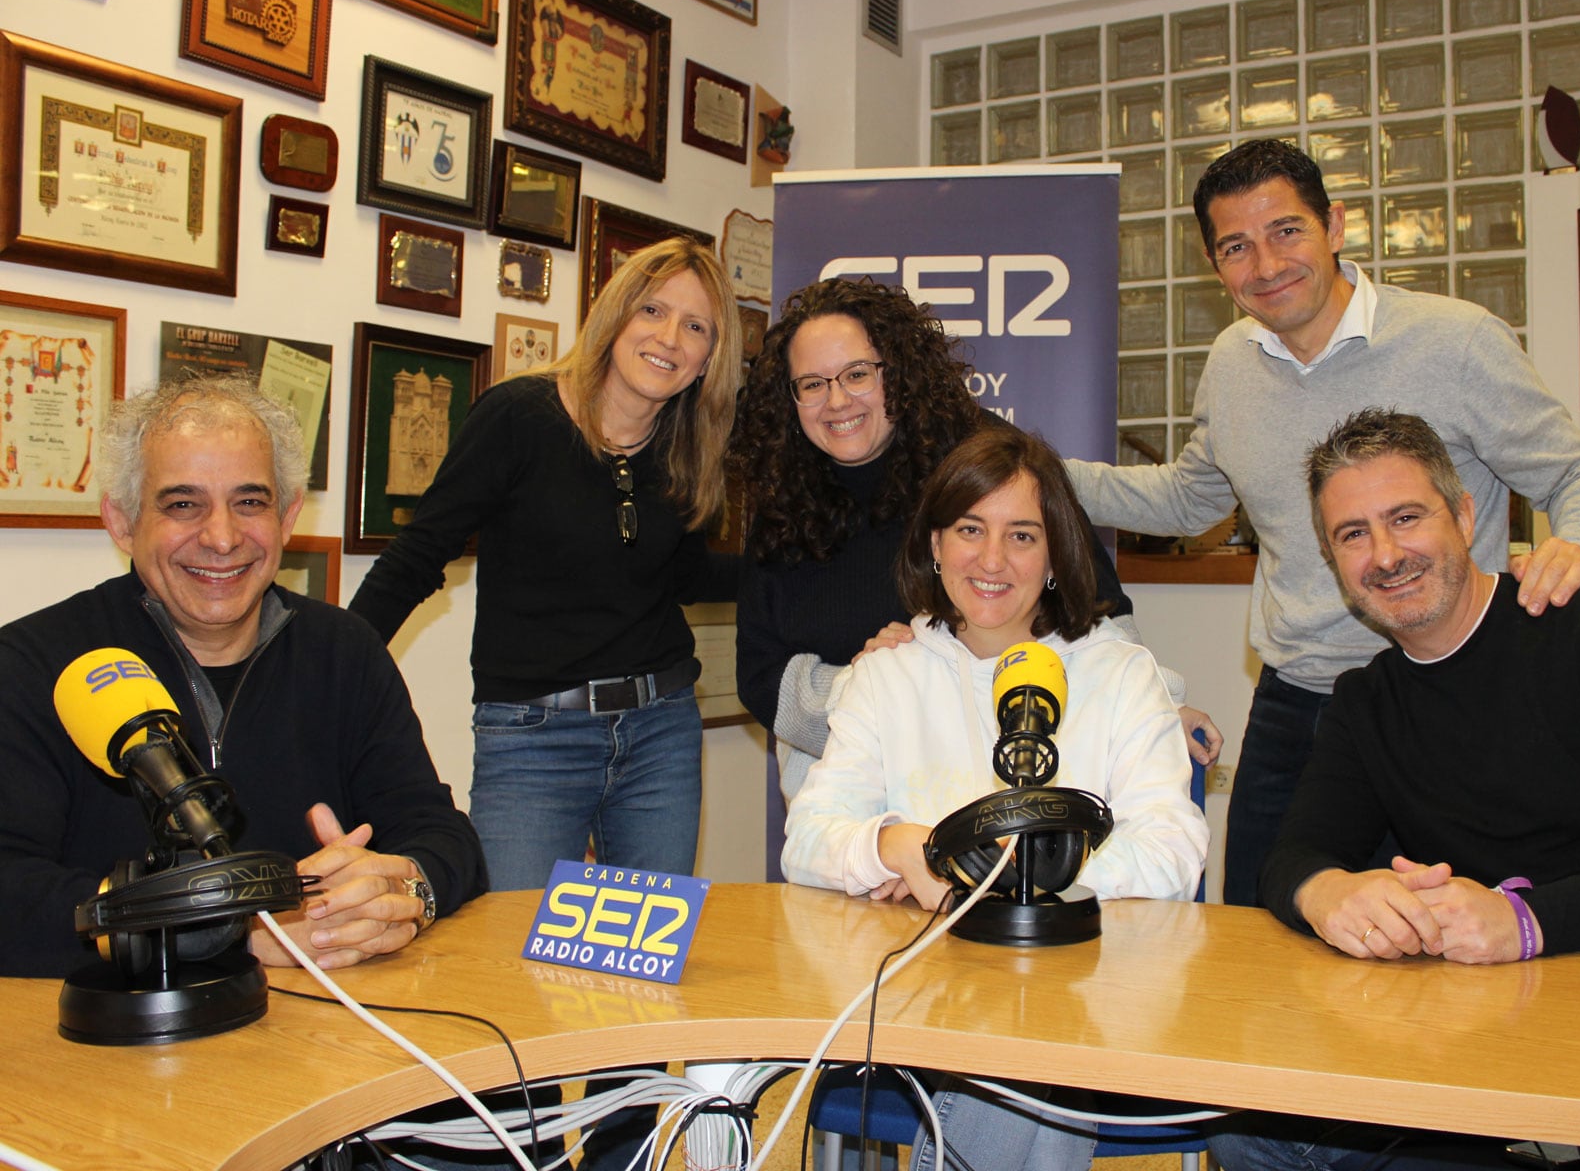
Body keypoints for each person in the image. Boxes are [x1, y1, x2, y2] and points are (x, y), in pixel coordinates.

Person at [1064, 139, 1580, 906]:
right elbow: (1190, 498)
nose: (1266, 265)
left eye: (1286, 231)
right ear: (1216, 267)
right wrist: (1034, 472)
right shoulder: (1233, 361)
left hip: (1443, 700)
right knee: (1268, 935)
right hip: (1294, 706)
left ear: (1335, 225)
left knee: (1453, 940)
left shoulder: (1456, 341)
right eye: (1237, 247)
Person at [1204, 409, 1580, 1171]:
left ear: (1467, 515)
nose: (1385, 555)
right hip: (1490, 1054)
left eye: (1405, 518)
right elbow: (1294, 856)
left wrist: (1523, 920)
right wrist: (1331, 893)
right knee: (1255, 1138)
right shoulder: (1365, 701)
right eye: (1352, 535)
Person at [784, 425, 1209, 1171]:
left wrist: (1023, 887)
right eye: (969, 530)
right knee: (1024, 1069)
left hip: (1083, 997)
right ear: (936, 545)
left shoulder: (1119, 672)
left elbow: (1173, 847)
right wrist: (892, 844)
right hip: (922, 1003)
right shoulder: (889, 675)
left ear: (1054, 557)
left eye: (1022, 536)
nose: (991, 560)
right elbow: (809, 838)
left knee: (1030, 1054)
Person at [0, 377, 486, 979]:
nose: (223, 537)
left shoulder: (344, 650)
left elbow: (443, 837)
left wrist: (401, 891)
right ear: (122, 522)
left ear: (286, 519)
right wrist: (237, 933)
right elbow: (11, 891)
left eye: (249, 502)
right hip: (108, 1040)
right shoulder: (31, 663)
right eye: (183, 504)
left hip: (316, 1034)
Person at [731, 276, 1219, 805]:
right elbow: (761, 676)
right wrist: (868, 691)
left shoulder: (984, 457)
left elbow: (1097, 612)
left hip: (1005, 777)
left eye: (857, 374)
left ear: (897, 371)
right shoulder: (780, 492)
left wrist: (1152, 708)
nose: (837, 400)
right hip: (852, 797)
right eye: (812, 383)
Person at [349, 236, 741, 892]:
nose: (669, 337)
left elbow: (686, 579)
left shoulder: (689, 448)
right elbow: (418, 557)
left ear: (708, 359)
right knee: (509, 957)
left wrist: (808, 577)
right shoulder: (518, 417)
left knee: (646, 958)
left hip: (659, 731)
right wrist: (334, 674)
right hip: (532, 737)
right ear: (615, 318)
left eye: (695, 325)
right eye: (652, 311)